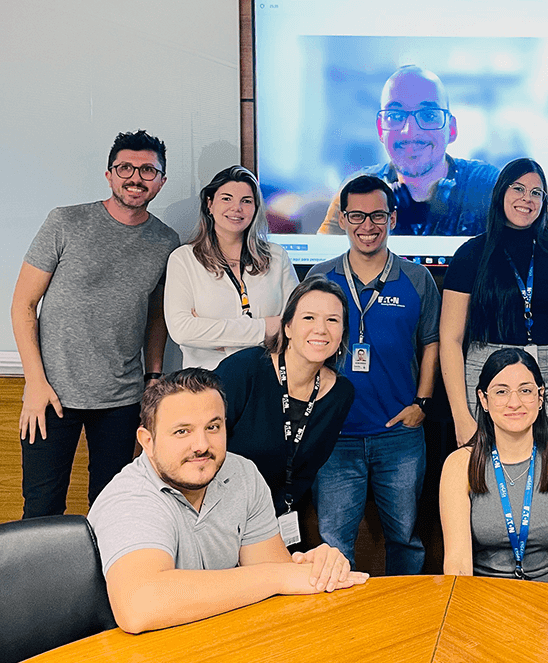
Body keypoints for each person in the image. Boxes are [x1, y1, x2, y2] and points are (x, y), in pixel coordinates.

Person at [88, 368, 368, 634]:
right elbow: (140, 606)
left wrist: (315, 568)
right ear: (147, 441)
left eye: (213, 427)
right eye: (182, 431)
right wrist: (279, 577)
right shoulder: (130, 497)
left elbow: (274, 577)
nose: (201, 445)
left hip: (220, 641)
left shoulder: (240, 473)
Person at [12, 129, 180, 518]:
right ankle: (40, 582)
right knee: (41, 507)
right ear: (109, 174)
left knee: (112, 508)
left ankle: (104, 582)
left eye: (147, 170)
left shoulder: (165, 241)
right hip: (51, 395)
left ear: (161, 181)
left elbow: (157, 315)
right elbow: (23, 304)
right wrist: (35, 384)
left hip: (121, 400)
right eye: (125, 167)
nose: (135, 177)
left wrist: (153, 378)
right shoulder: (65, 222)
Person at [308, 175, 441, 574]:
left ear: (393, 218)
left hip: (399, 433)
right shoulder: (320, 277)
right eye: (358, 216)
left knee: (405, 538)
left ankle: (408, 624)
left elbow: (431, 342)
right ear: (343, 220)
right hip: (335, 435)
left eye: (378, 215)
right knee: (333, 544)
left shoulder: (418, 280)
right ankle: (343, 627)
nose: (368, 225)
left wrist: (421, 403)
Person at [440, 158, 548, 446]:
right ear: (501, 193)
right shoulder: (471, 254)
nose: (526, 199)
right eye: (518, 188)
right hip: (486, 371)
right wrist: (460, 415)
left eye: (536, 193)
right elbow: (450, 338)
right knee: (487, 478)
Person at [440, 348, 548, 587]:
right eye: (501, 392)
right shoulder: (459, 465)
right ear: (483, 399)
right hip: (486, 606)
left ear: (541, 396)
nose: (514, 403)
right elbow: (457, 566)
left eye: (525, 391)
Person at [213, 277, 355, 538]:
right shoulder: (245, 369)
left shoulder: (340, 393)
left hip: (280, 519)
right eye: (309, 318)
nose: (321, 329)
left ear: (342, 334)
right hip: (219, 516)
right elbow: (203, 449)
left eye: (332, 320)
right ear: (288, 327)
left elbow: (306, 470)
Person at [317, 65, 499, 236]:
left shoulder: (489, 186)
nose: (410, 131)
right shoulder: (354, 192)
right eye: (395, 116)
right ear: (381, 130)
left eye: (428, 115)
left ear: (451, 129)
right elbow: (320, 264)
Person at [164, 165, 298, 370]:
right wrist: (265, 327)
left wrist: (217, 339)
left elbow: (295, 326)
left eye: (246, 201)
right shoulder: (184, 259)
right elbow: (182, 331)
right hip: (206, 386)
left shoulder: (277, 257)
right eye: (226, 198)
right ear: (209, 204)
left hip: (266, 381)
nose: (237, 208)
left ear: (255, 208)